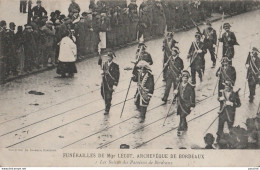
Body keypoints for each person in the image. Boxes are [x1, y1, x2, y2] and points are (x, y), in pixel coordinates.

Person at [98, 50, 120, 115]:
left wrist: (115, 85)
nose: (108, 58)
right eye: (107, 57)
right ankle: (108, 103)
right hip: (104, 82)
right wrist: (102, 72)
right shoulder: (105, 64)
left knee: (108, 96)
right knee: (102, 93)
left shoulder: (115, 66)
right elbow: (102, 70)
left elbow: (117, 76)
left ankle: (107, 109)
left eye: (109, 57)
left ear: (112, 58)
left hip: (110, 83)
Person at [175, 70, 195, 136]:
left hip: (187, 105)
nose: (184, 79)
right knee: (182, 116)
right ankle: (185, 126)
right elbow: (178, 94)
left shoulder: (190, 87)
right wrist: (175, 93)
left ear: (188, 79)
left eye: (186, 78)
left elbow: (192, 97)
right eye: (183, 78)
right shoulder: (179, 84)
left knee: (182, 116)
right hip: (180, 104)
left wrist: (192, 105)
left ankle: (179, 129)